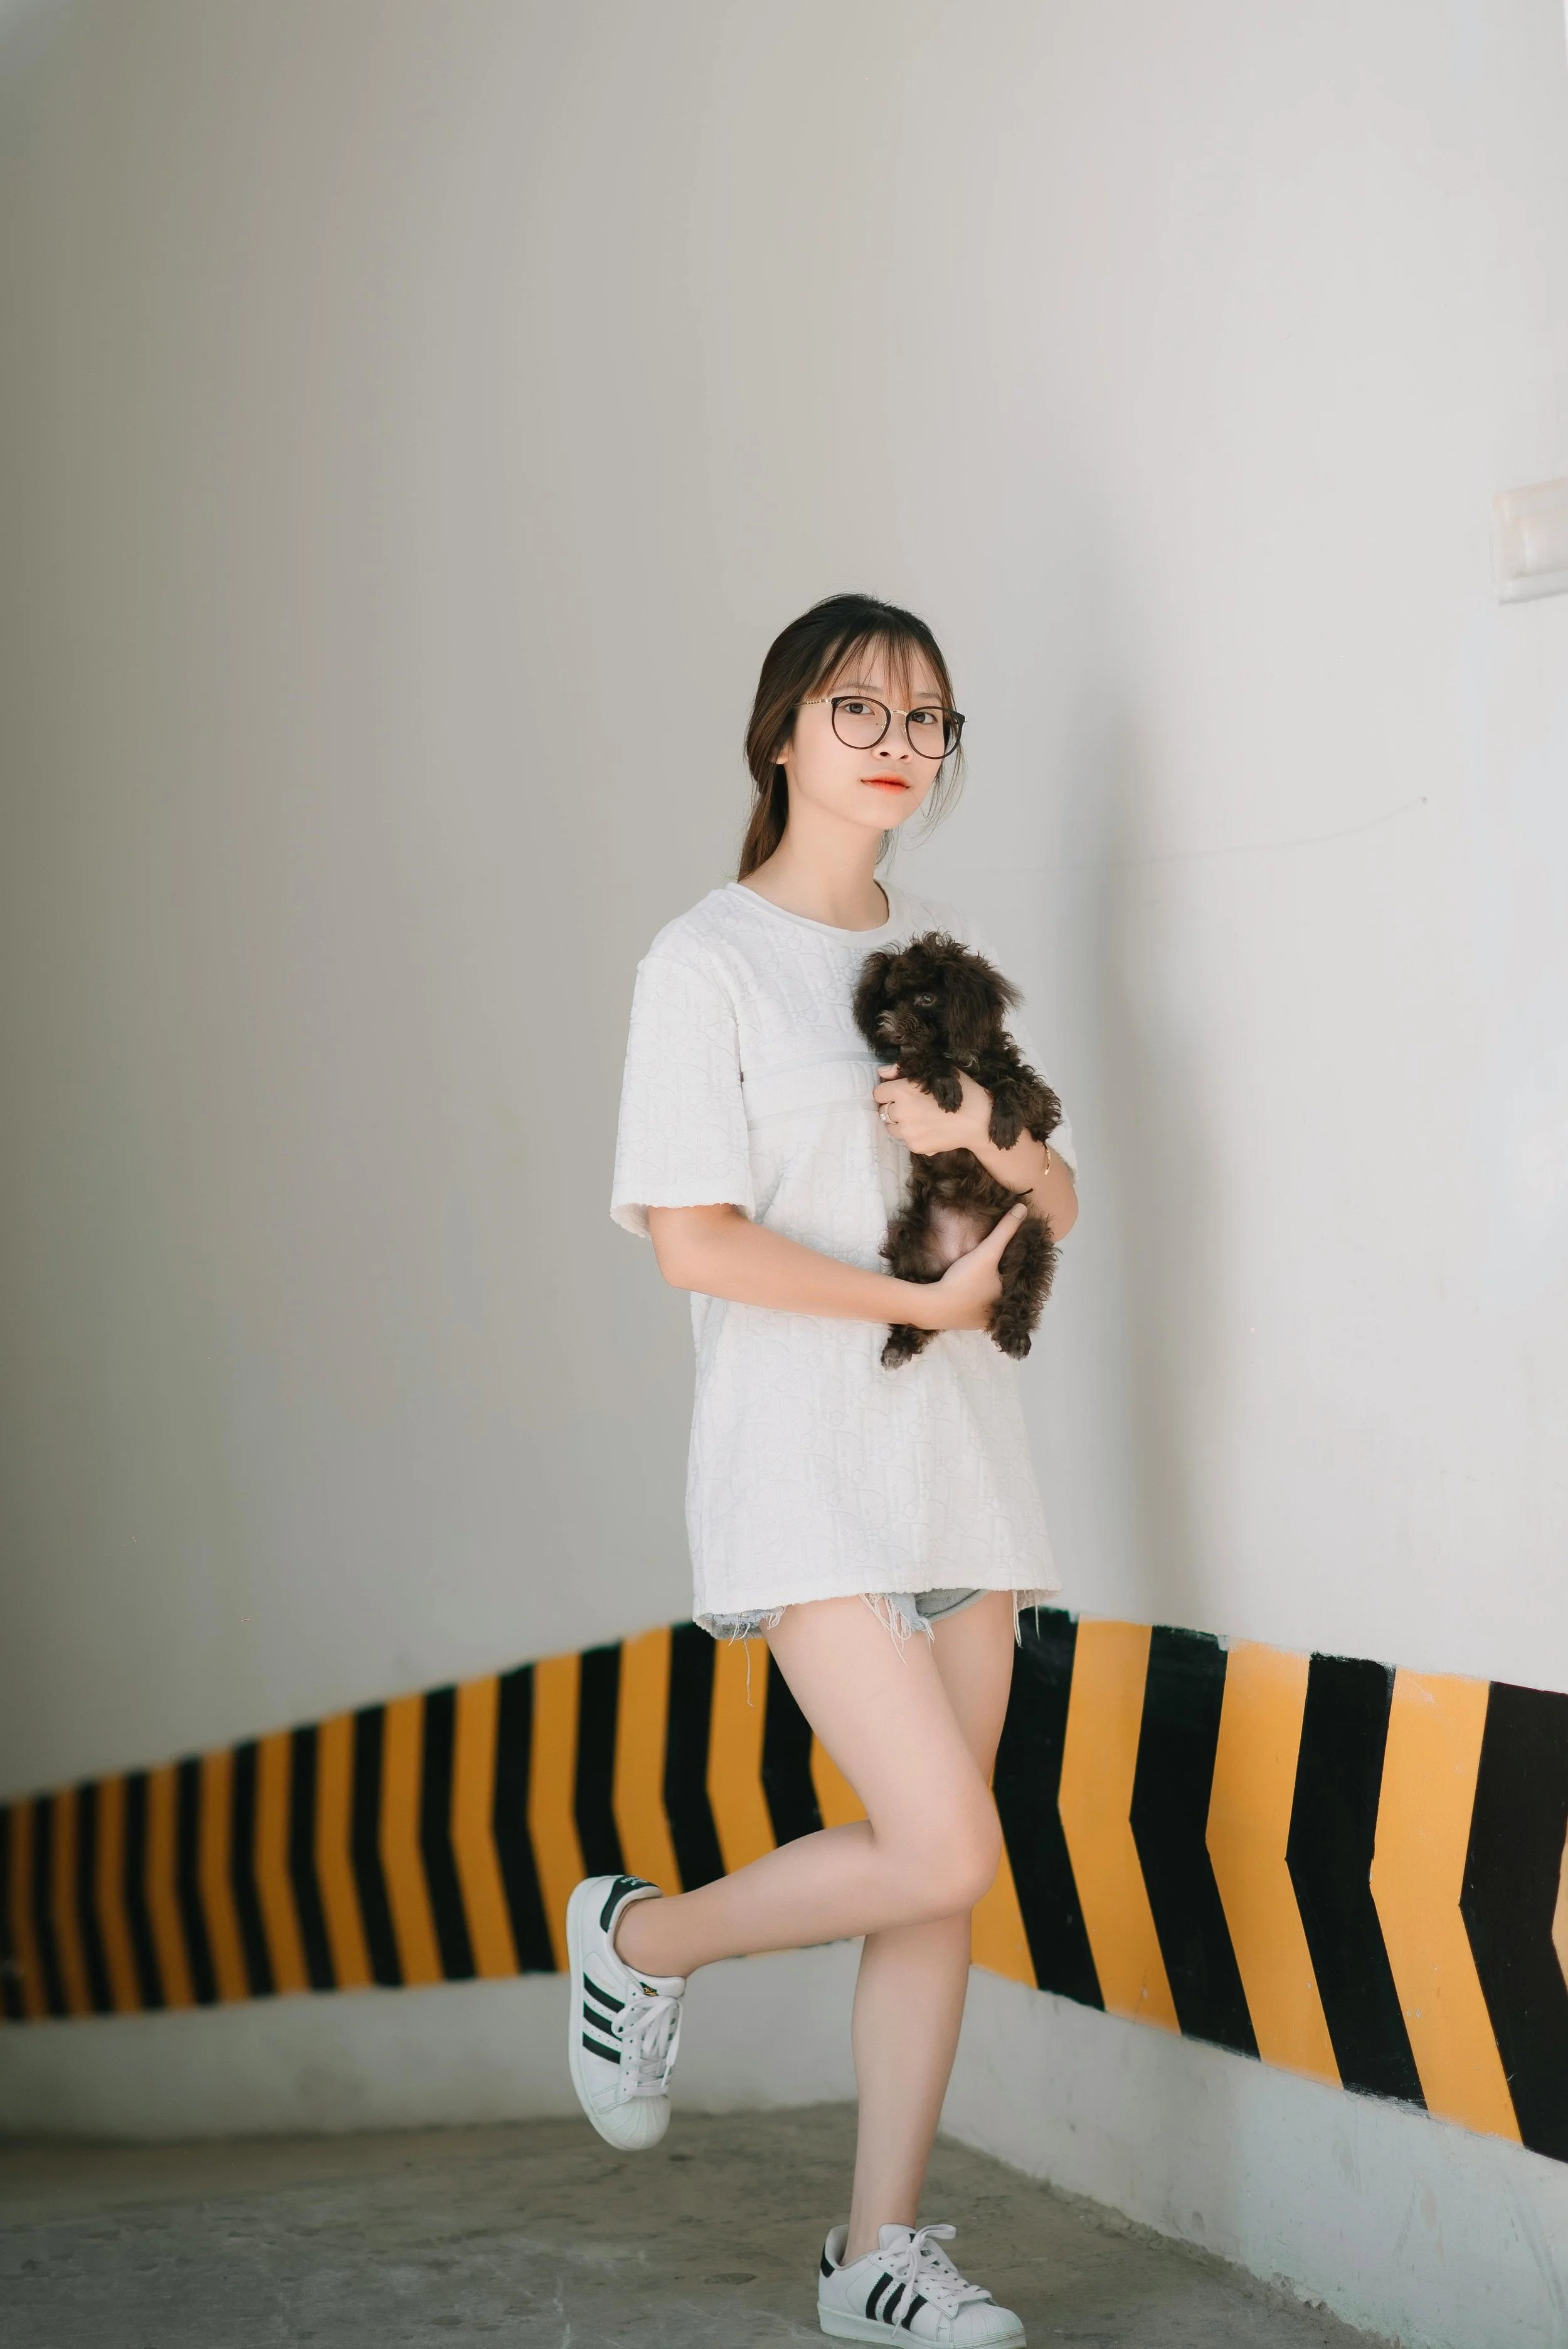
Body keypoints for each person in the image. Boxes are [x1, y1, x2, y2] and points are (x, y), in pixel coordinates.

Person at [569, 592, 1079, 2346]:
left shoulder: (945, 955)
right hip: (798, 1461)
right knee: (942, 1845)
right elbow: (692, 1242)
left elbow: (1058, 1198)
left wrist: (981, 1132)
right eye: (861, 707)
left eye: (927, 718)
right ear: (780, 731)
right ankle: (641, 1945)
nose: (896, 742)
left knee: (938, 1873)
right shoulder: (700, 961)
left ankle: (877, 2251)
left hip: (960, 1460)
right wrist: (910, 1301)